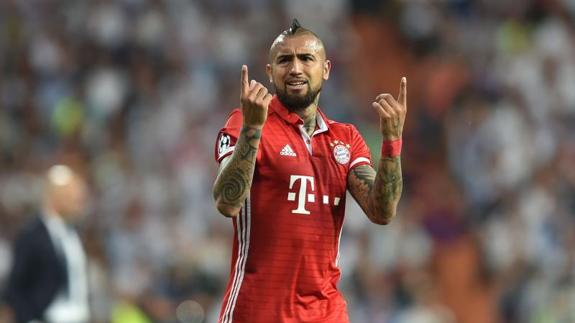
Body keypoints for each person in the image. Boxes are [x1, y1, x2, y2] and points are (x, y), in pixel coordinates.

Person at [212, 19, 407, 323]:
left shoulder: (346, 138)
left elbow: (382, 212)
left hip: (324, 313)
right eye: (284, 60)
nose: (295, 68)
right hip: (258, 311)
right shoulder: (245, 122)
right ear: (269, 72)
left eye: (306, 58)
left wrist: (392, 142)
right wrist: (252, 127)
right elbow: (227, 202)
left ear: (326, 69)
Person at [1, 165, 90, 323]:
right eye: (72, 195)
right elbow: (15, 288)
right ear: (55, 196)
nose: (79, 201)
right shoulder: (32, 235)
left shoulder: (71, 232)